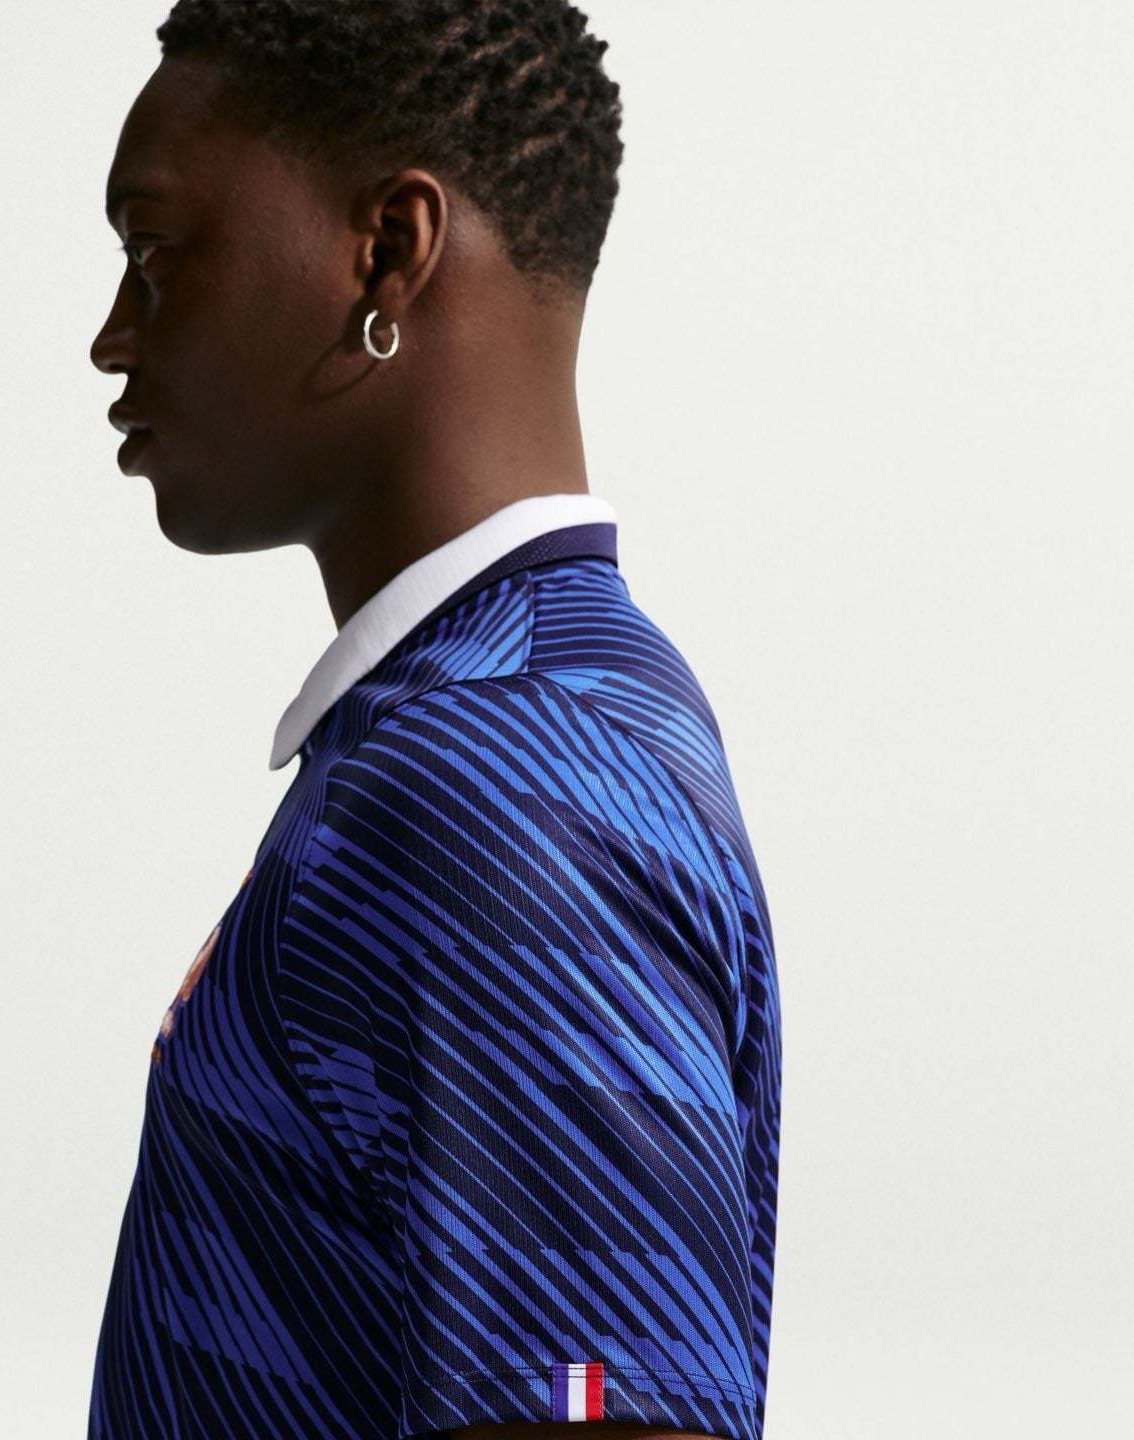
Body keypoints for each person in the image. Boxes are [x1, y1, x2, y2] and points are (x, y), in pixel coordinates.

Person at [86, 4, 781, 1438]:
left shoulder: (503, 781)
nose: (112, 337)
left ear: (388, 251)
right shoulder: (507, 720)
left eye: (156, 252)